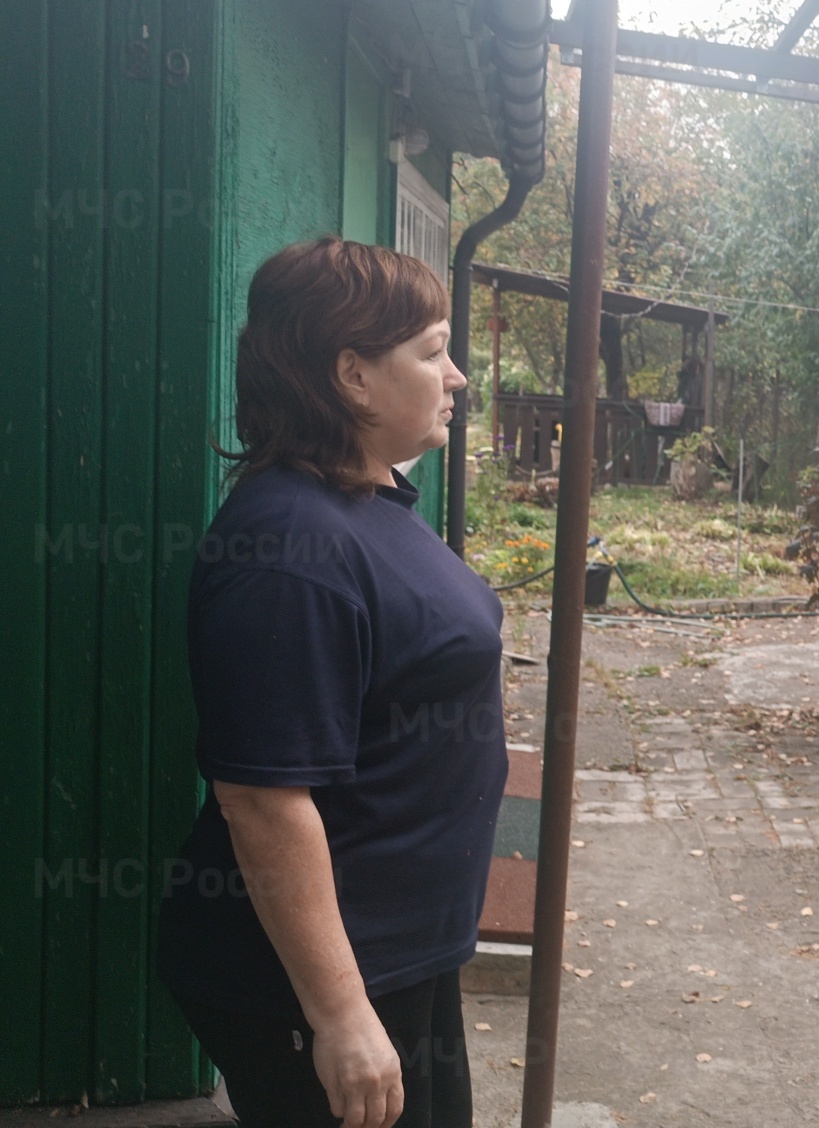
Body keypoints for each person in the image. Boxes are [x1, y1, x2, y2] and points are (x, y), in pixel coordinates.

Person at [157, 237, 506, 1128]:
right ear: (353, 376)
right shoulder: (288, 550)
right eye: (432, 352)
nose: (457, 377)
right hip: (316, 981)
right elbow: (261, 800)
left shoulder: (363, 497)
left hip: (400, 955)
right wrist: (341, 1015)